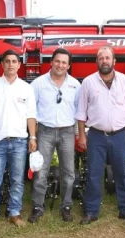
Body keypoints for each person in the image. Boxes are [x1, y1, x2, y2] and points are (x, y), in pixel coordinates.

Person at [75, 46, 125, 225]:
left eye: (107, 58)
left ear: (114, 61)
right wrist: (82, 136)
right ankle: (91, 211)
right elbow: (81, 111)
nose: (104, 61)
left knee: (121, 172)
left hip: (118, 136)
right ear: (97, 62)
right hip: (96, 135)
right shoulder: (88, 82)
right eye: (101, 58)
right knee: (93, 173)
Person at [0, 49, 37, 230]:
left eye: (14, 61)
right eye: (7, 61)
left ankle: (14, 213)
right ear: (2, 64)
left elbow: (31, 115)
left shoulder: (26, 88)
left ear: (19, 65)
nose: (11, 64)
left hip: (19, 141)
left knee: (17, 180)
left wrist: (33, 136)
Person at [28, 48, 81, 223]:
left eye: (64, 62)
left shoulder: (75, 85)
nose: (60, 65)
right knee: (40, 170)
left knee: (69, 172)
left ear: (69, 65)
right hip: (45, 131)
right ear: (51, 62)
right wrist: (33, 136)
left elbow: (79, 111)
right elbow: (31, 111)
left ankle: (66, 206)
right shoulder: (38, 83)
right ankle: (37, 206)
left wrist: (78, 134)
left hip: (67, 131)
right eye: (57, 61)